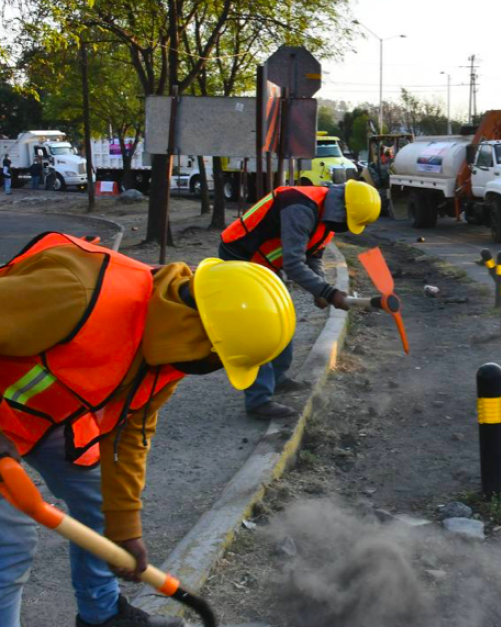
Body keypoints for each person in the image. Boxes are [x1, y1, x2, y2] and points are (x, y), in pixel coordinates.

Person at [0, 232, 295, 627]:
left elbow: (129, 433)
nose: (212, 370)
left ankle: (102, 616)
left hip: (37, 418)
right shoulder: (78, 292)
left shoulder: (169, 345)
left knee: (101, 504)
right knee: (10, 546)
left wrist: (125, 527)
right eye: (217, 359)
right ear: (202, 331)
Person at [218, 180, 381, 420]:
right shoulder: (300, 207)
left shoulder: (329, 218)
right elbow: (294, 264)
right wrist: (328, 293)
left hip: (266, 262)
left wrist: (320, 288)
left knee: (282, 317)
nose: (347, 227)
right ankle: (258, 400)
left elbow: (313, 255)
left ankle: (278, 377)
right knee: (259, 326)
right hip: (240, 256)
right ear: (344, 210)